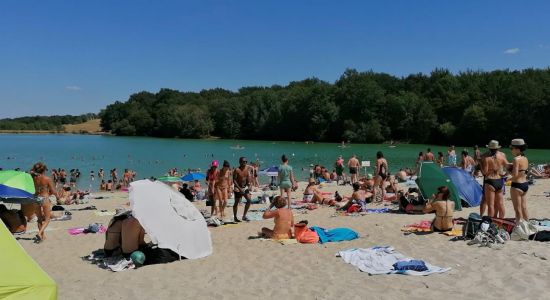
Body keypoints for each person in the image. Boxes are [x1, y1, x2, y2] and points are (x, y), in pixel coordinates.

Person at [480, 140, 509, 218]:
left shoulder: (487, 158)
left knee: (491, 205)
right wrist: (505, 175)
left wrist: (480, 165)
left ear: (489, 148)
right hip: (499, 180)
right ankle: (501, 222)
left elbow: (485, 173)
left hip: (490, 181)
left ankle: (491, 222)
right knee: (501, 204)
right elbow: (509, 167)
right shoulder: (502, 155)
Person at [31, 162, 58, 243]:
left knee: (39, 219)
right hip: (44, 198)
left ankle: (42, 236)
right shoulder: (47, 179)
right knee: (47, 219)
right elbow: (53, 191)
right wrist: (54, 195)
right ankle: (39, 233)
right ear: (44, 170)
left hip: (35, 198)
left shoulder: (33, 178)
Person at [509, 139, 530, 224]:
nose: (511, 150)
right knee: (524, 207)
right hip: (525, 184)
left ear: (517, 149)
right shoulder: (525, 158)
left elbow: (514, 174)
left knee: (517, 209)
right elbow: (523, 171)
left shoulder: (516, 159)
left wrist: (507, 171)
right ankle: (527, 225)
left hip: (516, 185)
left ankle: (519, 227)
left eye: (512, 148)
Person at [233, 157, 252, 222]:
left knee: (249, 200)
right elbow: (234, 180)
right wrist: (239, 188)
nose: (245, 163)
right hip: (238, 188)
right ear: (240, 162)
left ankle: (244, 216)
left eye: (246, 162)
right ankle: (235, 217)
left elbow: (248, 179)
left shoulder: (247, 170)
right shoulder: (237, 170)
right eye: (243, 162)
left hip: (244, 187)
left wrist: (249, 186)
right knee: (236, 203)